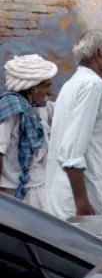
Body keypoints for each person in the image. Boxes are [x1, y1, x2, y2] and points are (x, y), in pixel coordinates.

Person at [46, 30, 102, 218]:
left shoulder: (74, 83)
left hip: (67, 200)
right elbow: (71, 153)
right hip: (80, 207)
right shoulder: (91, 85)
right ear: (99, 54)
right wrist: (82, 204)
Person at [0, 54, 57, 209]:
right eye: (47, 86)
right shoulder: (10, 108)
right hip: (12, 194)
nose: (50, 92)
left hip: (38, 189)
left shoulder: (38, 109)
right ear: (33, 89)